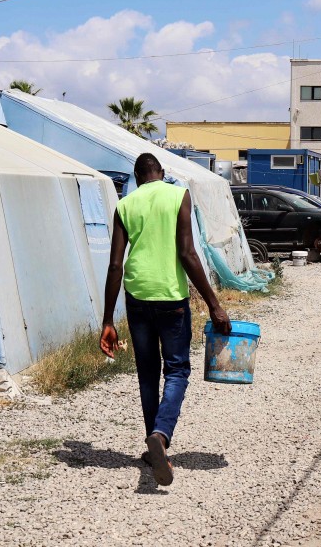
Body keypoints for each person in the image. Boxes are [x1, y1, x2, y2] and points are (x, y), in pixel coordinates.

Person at [99, 153, 231, 486]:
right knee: (176, 369)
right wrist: (214, 303)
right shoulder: (178, 195)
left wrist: (107, 321)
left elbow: (115, 266)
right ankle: (160, 435)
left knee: (147, 372)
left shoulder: (125, 206)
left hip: (137, 295)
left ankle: (153, 445)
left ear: (136, 177)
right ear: (161, 173)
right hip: (171, 297)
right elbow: (186, 252)